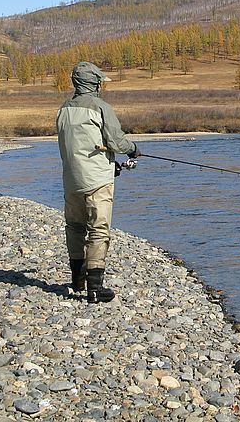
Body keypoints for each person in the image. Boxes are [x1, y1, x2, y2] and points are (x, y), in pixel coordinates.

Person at [56, 62, 141, 303]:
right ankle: (95, 288)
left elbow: (76, 146)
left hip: (71, 180)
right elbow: (116, 142)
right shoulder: (101, 107)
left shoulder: (63, 110)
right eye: (99, 82)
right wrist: (133, 150)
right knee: (98, 229)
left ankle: (77, 280)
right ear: (94, 83)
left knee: (74, 227)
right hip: (97, 181)